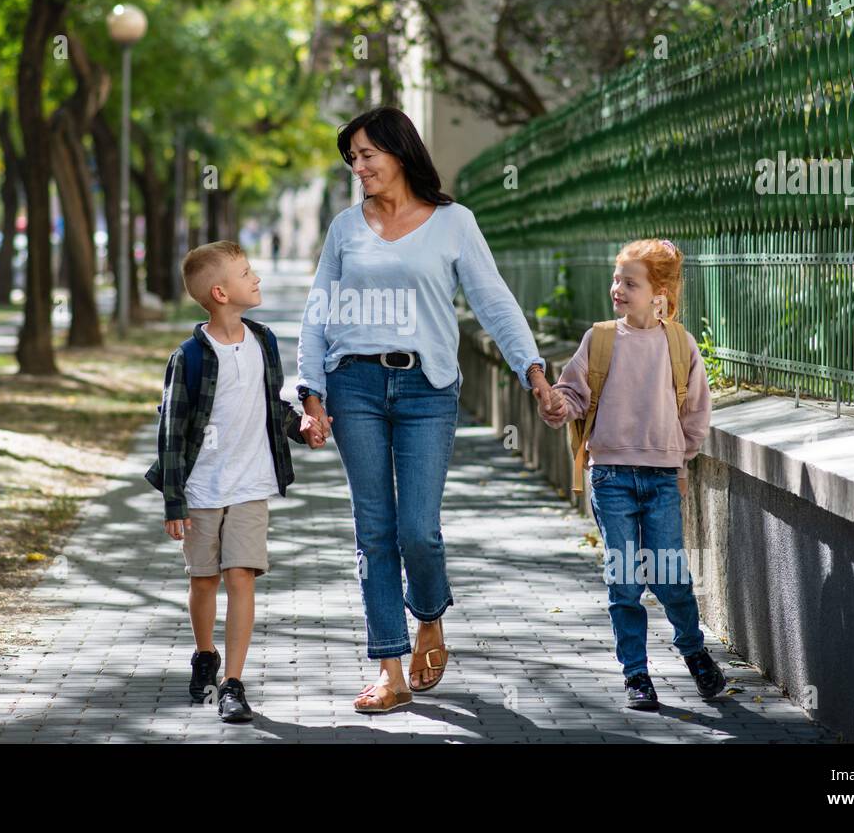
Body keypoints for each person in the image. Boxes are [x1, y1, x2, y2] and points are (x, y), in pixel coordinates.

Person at [297, 106, 558, 713]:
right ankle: (390, 667)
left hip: (427, 388)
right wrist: (311, 394)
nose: (358, 167)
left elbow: (494, 302)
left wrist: (535, 375)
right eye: (352, 159)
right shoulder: (344, 228)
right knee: (375, 529)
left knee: (419, 528)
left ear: (399, 152)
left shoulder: (453, 223)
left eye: (366, 154)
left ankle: (430, 615)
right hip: (353, 385)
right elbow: (318, 313)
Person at [539, 238, 726, 711]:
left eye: (630, 282)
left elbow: (697, 411)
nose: (617, 288)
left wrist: (678, 456)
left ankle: (693, 649)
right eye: (616, 279)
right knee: (624, 581)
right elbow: (574, 393)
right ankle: (637, 676)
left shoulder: (679, 344)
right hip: (611, 477)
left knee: (670, 577)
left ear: (659, 291)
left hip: (662, 478)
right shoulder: (600, 339)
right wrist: (559, 405)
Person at [146, 240, 326, 723]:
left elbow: (273, 406)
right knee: (204, 580)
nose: (258, 279)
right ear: (221, 293)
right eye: (247, 273)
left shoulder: (264, 341)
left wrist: (301, 427)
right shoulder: (189, 357)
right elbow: (171, 430)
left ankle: (234, 684)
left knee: (241, 575)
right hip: (202, 489)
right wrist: (173, 500)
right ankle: (206, 656)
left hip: (252, 484)